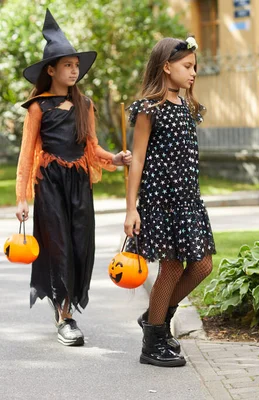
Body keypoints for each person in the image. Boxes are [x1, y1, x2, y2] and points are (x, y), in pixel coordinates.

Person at [16, 9, 131, 346]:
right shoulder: (38, 108)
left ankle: (67, 306)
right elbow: (26, 155)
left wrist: (116, 158)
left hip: (79, 185)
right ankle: (64, 315)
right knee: (59, 247)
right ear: (50, 70)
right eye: (67, 65)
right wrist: (22, 199)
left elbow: (92, 148)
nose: (74, 70)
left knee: (81, 246)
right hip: (49, 184)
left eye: (76, 65)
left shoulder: (86, 105)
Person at [124, 36, 215, 367]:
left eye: (195, 68)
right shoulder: (150, 109)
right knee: (172, 266)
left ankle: (155, 318)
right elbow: (137, 159)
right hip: (160, 201)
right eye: (187, 67)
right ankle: (153, 341)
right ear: (166, 67)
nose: (193, 74)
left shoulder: (188, 107)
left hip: (189, 201)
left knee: (203, 265)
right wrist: (131, 207)